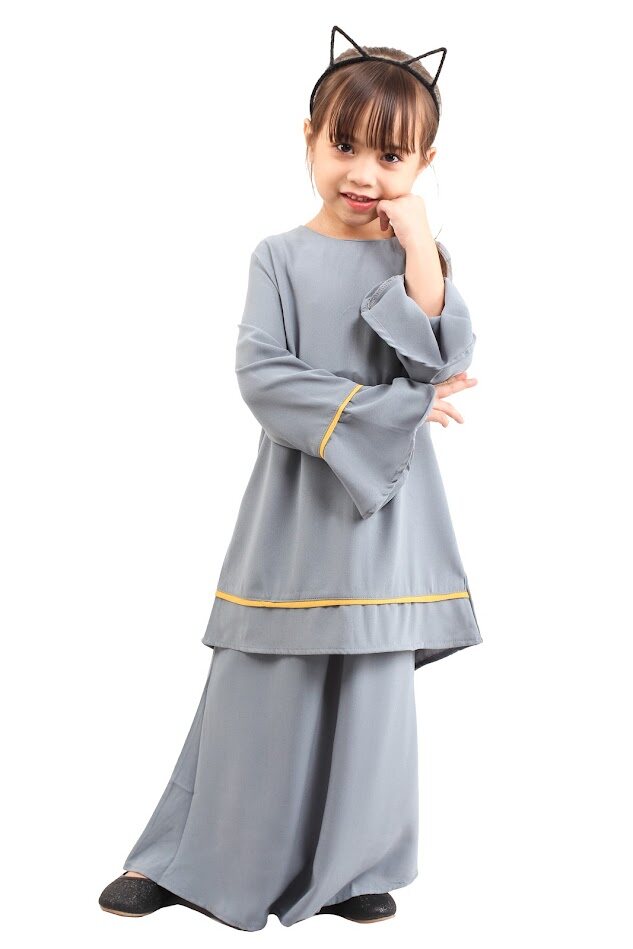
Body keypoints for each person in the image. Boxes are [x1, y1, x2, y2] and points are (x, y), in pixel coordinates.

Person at [98, 24, 483, 932]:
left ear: (424, 164)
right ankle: (192, 857)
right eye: (343, 145)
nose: (363, 173)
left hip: (387, 516)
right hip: (295, 504)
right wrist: (391, 407)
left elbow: (439, 360)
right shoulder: (277, 255)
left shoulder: (415, 261)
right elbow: (263, 377)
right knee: (259, 676)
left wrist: (417, 244)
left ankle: (356, 869)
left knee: (370, 681)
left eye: (390, 156)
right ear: (308, 138)